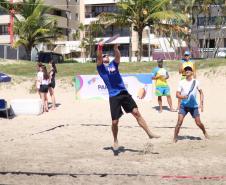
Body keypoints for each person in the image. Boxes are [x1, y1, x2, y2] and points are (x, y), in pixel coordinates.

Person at [96, 41, 160, 150]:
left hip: (123, 92)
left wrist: (116, 48)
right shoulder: (101, 69)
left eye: (106, 55)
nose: (105, 56)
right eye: (103, 56)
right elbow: (98, 57)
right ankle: (115, 140)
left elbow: (117, 57)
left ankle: (149, 133)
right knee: (115, 122)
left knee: (136, 113)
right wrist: (100, 46)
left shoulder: (113, 65)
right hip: (113, 96)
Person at [173, 66, 209, 143]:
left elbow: (201, 93)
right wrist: (182, 96)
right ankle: (175, 137)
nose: (187, 71)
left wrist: (201, 104)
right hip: (184, 106)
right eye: (186, 70)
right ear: (184, 72)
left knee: (198, 123)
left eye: (189, 70)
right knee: (179, 122)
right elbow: (177, 94)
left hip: (193, 106)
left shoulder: (196, 82)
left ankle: (204, 132)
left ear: (192, 72)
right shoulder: (181, 82)